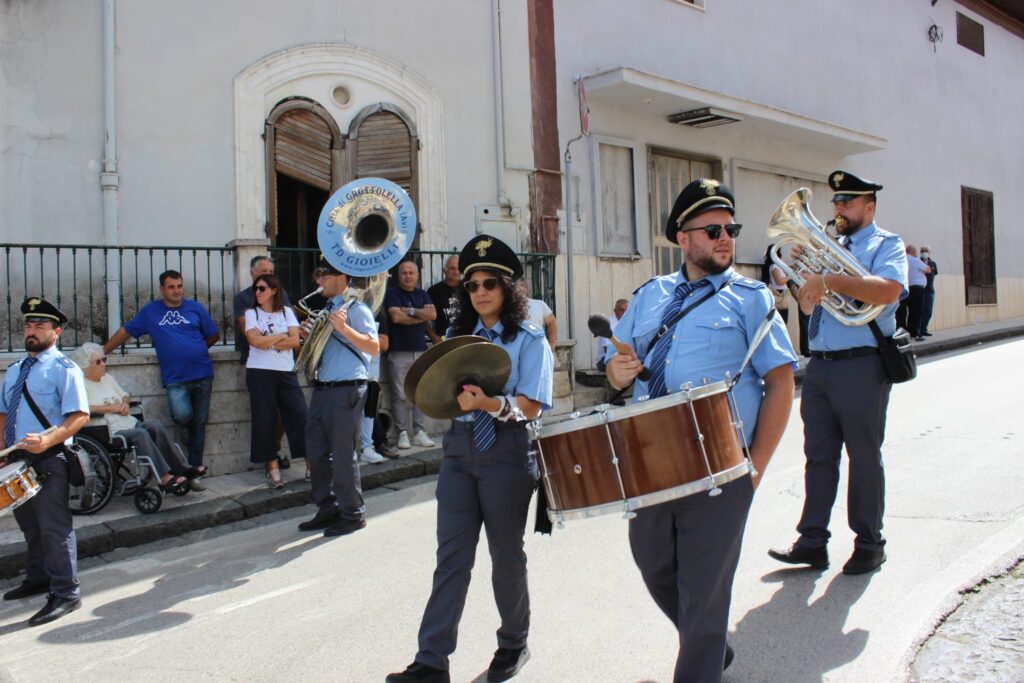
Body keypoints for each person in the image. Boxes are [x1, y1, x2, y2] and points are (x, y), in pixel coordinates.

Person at [606, 179, 796, 682]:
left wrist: (756, 465)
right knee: (653, 564)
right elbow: (615, 360)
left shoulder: (751, 299)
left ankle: (702, 659)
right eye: (712, 229)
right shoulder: (650, 296)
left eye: (731, 228)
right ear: (683, 239)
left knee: (705, 586)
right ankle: (709, 645)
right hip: (651, 461)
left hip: (722, 463)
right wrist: (616, 372)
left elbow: (780, 381)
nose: (725, 238)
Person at [387, 235, 554, 683]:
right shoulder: (465, 339)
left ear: (508, 289)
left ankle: (514, 644)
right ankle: (431, 662)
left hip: (507, 452)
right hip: (460, 453)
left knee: (506, 557)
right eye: (473, 284)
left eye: (490, 284)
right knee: (452, 558)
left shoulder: (531, 340)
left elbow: (533, 405)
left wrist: (487, 404)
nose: (479, 291)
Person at [769, 170, 907, 577]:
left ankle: (870, 543)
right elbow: (811, 307)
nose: (839, 209)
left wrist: (827, 279)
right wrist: (800, 281)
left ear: (870, 206)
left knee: (864, 457)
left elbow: (889, 291)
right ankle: (812, 541)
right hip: (822, 367)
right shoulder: (831, 245)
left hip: (862, 364)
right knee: (818, 457)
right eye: (836, 203)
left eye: (847, 203)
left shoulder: (887, 244)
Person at [0, 297, 89, 626]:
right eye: (28, 325)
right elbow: (4, 412)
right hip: (17, 462)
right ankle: (39, 577)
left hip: (50, 459)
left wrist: (48, 440)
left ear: (56, 332)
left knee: (54, 528)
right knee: (30, 526)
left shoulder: (64, 369)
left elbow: (79, 415)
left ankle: (66, 592)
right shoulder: (15, 370)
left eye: (40, 326)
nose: (32, 331)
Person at [103, 270, 219, 489]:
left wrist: (198, 349)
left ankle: (193, 472)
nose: (176, 291)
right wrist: (104, 351)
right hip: (175, 377)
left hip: (203, 374)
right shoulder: (151, 312)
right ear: (162, 289)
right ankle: (185, 445)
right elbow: (126, 331)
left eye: (179, 286)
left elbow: (213, 334)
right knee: (182, 416)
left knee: (199, 425)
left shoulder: (195, 308)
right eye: (171, 287)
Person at [296, 260, 380, 538]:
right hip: (323, 388)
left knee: (343, 455)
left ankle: (353, 513)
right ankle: (328, 507)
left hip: (346, 388)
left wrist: (344, 329)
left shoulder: (357, 309)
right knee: (316, 451)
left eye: (324, 276)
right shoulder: (328, 309)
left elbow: (373, 346)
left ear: (341, 278)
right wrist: (305, 337)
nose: (318, 281)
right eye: (318, 275)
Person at [71, 342, 199, 493]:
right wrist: (112, 408)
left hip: (127, 422)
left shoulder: (107, 378)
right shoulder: (81, 384)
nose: (103, 364)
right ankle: (164, 477)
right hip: (108, 430)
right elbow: (85, 408)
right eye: (98, 362)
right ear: (85, 366)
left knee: (155, 426)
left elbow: (124, 395)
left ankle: (183, 469)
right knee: (141, 434)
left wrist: (124, 404)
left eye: (104, 360)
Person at [244, 273, 307, 489]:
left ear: (274, 290)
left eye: (262, 288)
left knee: (300, 415)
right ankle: (272, 469)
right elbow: (254, 341)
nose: (257, 293)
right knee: (265, 420)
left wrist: (269, 341)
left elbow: (295, 341)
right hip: (259, 372)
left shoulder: (287, 312)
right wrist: (280, 337)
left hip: (285, 371)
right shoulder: (251, 313)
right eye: (256, 289)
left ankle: (311, 464)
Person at [233, 255, 292, 470]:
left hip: (282, 363)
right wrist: (279, 336)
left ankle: (273, 447)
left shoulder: (282, 295)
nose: (267, 276)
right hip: (257, 364)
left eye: (270, 272)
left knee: (288, 413)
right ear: (252, 274)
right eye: (263, 272)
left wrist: (269, 338)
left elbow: (292, 331)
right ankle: (270, 460)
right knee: (265, 414)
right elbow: (250, 334)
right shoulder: (242, 298)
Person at [384, 260, 436, 450]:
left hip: (420, 350)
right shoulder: (392, 294)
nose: (408, 276)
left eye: (411, 273)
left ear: (417, 275)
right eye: (404, 273)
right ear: (399, 275)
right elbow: (396, 317)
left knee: (419, 393)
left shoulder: (422, 294)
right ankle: (402, 433)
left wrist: (410, 311)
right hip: (399, 351)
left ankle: (420, 432)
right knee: (399, 395)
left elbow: (432, 315)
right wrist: (419, 317)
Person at [357, 310, 390, 464]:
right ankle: (348, 450)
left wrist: (359, 336)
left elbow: (384, 344)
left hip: (371, 370)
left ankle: (367, 448)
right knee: (348, 412)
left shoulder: (377, 313)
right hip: (351, 369)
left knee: (369, 411)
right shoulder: (345, 310)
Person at [426, 255, 461, 344]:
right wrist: (434, 337)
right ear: (445, 270)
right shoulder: (434, 291)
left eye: (458, 268)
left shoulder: (469, 289)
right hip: (443, 341)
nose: (456, 271)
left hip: (466, 340)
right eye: (452, 268)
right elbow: (424, 319)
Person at [903, 245, 931, 341]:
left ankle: (903, 334)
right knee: (915, 312)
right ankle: (914, 334)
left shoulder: (902, 259)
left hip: (904, 288)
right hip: (916, 289)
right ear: (913, 252)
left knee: (902, 313)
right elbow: (928, 269)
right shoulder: (915, 260)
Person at [595, 298, 629, 372]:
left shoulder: (629, 324)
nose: (624, 313)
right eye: (621, 310)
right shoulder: (607, 323)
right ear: (615, 310)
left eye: (626, 311)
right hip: (604, 360)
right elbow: (607, 350)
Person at [919, 245, 938, 336]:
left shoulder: (933, 263)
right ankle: (918, 330)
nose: (924, 252)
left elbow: (934, 274)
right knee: (920, 310)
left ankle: (924, 329)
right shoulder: (918, 262)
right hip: (920, 291)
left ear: (929, 253)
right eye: (922, 251)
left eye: (926, 251)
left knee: (928, 311)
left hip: (930, 290)